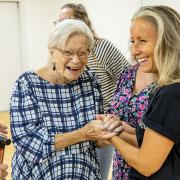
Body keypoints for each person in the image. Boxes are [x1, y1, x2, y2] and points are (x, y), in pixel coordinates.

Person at [10, 19, 121, 180]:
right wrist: (82, 134)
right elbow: (29, 145)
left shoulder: (90, 81)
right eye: (68, 53)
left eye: (83, 52)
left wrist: (108, 129)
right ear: (52, 52)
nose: (76, 60)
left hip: (84, 173)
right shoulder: (27, 84)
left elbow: (95, 141)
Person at [101, 5, 180, 179]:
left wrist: (110, 136)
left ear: (167, 41)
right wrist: (118, 128)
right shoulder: (165, 90)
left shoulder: (171, 94)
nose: (134, 50)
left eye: (142, 41)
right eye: (132, 41)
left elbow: (146, 164)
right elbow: (149, 138)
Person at [55, 3, 130, 179]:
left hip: (101, 130)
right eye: (58, 22)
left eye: (66, 21)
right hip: (74, 130)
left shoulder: (102, 48)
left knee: (97, 176)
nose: (61, 27)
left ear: (83, 21)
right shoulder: (58, 53)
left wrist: (114, 115)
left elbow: (130, 80)